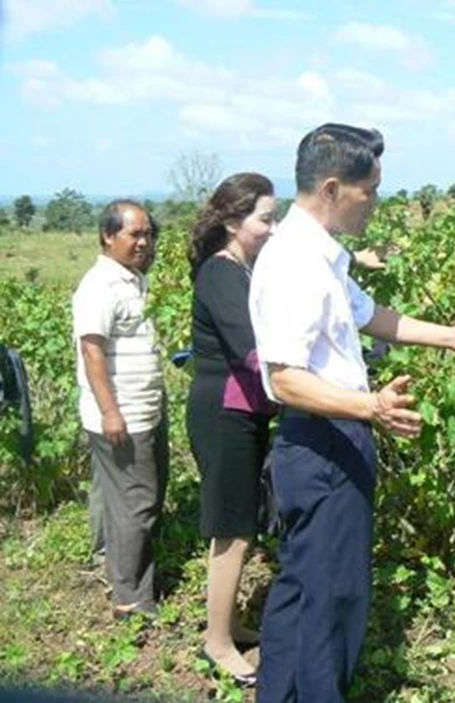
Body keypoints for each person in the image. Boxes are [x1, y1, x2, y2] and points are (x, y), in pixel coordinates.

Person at [249, 123, 455, 702]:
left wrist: (453, 337)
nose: (376, 202)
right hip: (322, 442)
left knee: (304, 586)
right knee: (331, 595)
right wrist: (369, 406)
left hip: (334, 434)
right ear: (331, 188)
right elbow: (286, 379)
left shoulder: (322, 257)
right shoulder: (294, 262)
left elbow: (371, 317)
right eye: (369, 190)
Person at [186, 173, 278, 685]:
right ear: (231, 222)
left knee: (242, 524)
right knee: (233, 531)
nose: (272, 228)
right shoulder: (222, 275)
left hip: (243, 411)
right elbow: (251, 349)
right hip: (224, 415)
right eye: (265, 218)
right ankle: (217, 642)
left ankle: (230, 623)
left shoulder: (244, 270)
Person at [72, 200, 167, 620]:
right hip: (123, 415)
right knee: (138, 501)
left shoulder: (132, 279)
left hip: (142, 409)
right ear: (108, 236)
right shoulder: (100, 286)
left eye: (148, 234)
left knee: (118, 494)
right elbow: (92, 352)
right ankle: (131, 598)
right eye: (135, 234)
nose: (144, 242)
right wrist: (111, 412)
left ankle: (109, 561)